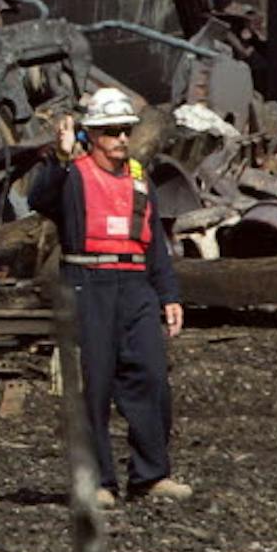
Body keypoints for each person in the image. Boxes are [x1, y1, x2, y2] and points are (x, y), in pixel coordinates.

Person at [28, 85, 191, 509]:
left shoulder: (139, 178)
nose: (120, 138)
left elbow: (154, 239)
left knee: (151, 377)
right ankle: (97, 480)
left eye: (124, 131)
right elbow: (38, 198)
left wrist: (168, 294)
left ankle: (151, 474)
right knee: (93, 383)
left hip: (134, 283)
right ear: (92, 135)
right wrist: (61, 158)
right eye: (111, 131)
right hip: (88, 280)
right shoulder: (71, 175)